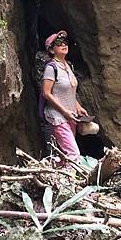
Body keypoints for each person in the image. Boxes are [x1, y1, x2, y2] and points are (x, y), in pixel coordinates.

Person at [42, 30, 88, 164]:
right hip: (58, 116)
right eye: (58, 43)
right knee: (73, 153)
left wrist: (78, 107)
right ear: (51, 50)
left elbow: (70, 92)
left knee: (64, 153)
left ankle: (54, 174)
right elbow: (46, 93)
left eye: (65, 42)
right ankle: (69, 183)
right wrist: (64, 111)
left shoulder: (69, 66)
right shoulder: (51, 68)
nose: (63, 45)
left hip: (71, 116)